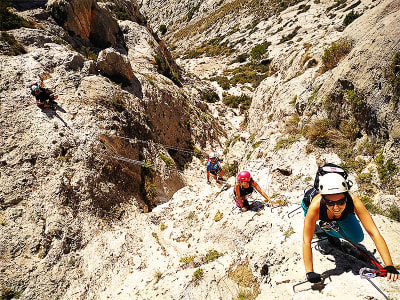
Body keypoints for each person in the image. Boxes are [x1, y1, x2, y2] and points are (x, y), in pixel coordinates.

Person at [302, 172, 399, 283]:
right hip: (313, 208)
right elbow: (306, 241)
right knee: (312, 228)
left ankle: (328, 228)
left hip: (341, 215)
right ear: (323, 199)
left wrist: (389, 265)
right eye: (330, 202)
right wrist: (309, 272)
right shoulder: (315, 206)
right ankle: (325, 228)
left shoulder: (354, 201)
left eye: (341, 201)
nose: (336, 207)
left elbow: (374, 232)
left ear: (346, 198)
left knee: (357, 238)